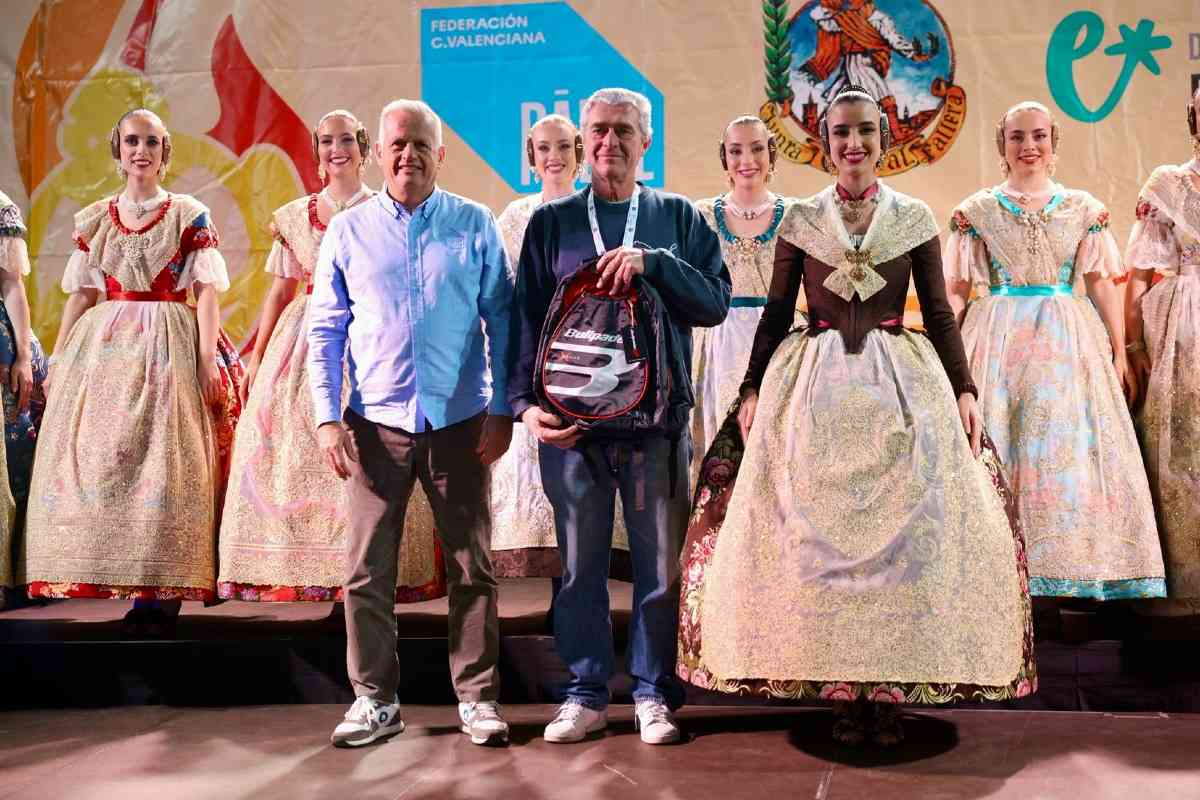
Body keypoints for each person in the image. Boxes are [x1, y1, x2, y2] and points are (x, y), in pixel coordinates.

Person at [678, 85, 1034, 748]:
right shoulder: (801, 219)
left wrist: (964, 389)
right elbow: (776, 314)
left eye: (866, 131)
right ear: (824, 142)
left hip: (899, 384)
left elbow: (940, 311)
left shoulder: (914, 217)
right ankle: (839, 687)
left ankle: (889, 691)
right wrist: (751, 389)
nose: (853, 143)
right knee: (817, 542)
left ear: (884, 138)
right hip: (814, 388)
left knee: (903, 544)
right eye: (841, 132)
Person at [509, 87, 730, 745]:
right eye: (599, 131)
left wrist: (653, 264)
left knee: (658, 568)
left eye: (623, 131)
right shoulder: (552, 223)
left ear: (646, 141)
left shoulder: (678, 218)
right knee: (580, 568)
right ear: (585, 141)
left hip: (655, 427)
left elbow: (715, 302)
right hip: (572, 428)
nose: (609, 142)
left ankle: (653, 693)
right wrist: (523, 406)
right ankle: (583, 694)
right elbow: (524, 317)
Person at [310, 99, 513, 748]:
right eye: (397, 144)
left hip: (460, 421)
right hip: (374, 425)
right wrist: (326, 417)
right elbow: (325, 330)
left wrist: (504, 406)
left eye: (421, 144)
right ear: (378, 153)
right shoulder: (348, 231)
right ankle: (375, 699)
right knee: (367, 570)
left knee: (472, 567)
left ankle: (477, 698)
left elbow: (503, 320)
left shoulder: (475, 223)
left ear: (440, 154)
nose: (408, 155)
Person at [21, 109, 243, 634]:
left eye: (151, 142)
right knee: (105, 458)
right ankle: (112, 572)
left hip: (169, 338)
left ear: (165, 152)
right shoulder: (97, 218)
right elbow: (83, 294)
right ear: (117, 151)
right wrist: (59, 360)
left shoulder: (188, 214)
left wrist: (206, 359)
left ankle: (162, 587)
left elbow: (207, 292)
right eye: (131, 142)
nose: (141, 151)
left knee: (165, 458)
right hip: (106, 345)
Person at [217, 109, 444, 605]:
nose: (336, 149)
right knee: (290, 454)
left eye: (345, 140)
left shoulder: (384, 209)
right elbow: (280, 291)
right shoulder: (295, 216)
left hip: (369, 335)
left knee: (370, 456)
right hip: (304, 340)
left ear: (364, 149)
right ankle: (305, 575)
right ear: (317, 151)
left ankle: (364, 584)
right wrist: (258, 355)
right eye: (326, 141)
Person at [944, 100, 1164, 600]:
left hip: (1067, 340)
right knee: (1002, 442)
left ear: (1053, 142)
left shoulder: (1082, 208)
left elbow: (1099, 282)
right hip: (997, 339)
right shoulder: (976, 212)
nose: (1029, 146)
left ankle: (1070, 569)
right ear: (1002, 145)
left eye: (1039, 136)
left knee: (1064, 450)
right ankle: (1000, 575)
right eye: (1018, 137)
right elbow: (956, 289)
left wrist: (1119, 350)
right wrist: (948, 361)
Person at [1124, 85, 1200, 612]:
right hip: (1183, 329)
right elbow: (1138, 275)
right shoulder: (1168, 184)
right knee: (1182, 448)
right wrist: (1132, 344)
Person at [693, 116, 798, 452]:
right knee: (722, 445)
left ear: (771, 153)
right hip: (719, 340)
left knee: (774, 443)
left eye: (756, 149)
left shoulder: (796, 214)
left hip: (779, 338)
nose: (747, 160)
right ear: (724, 157)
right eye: (736, 151)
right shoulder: (701, 215)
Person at [0, 190, 47, 603]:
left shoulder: (1, 208)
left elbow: (12, 284)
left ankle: (11, 573)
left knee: (13, 456)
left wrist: (22, 355)